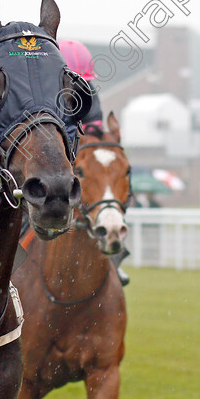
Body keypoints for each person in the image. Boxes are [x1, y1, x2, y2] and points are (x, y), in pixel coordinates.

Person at [59, 39, 131, 285]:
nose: (78, 84)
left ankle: (115, 258)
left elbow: (94, 129)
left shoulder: (89, 92)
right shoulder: (42, 94)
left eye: (81, 79)